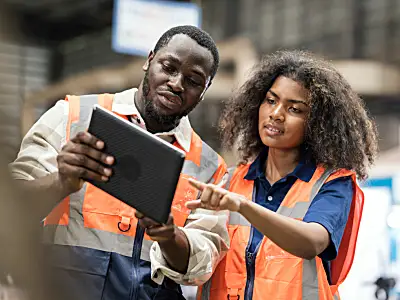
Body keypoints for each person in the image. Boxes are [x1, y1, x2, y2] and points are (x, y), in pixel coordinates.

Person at [9, 25, 229, 300]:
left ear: (205, 91)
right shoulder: (73, 117)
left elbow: (203, 263)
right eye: (169, 67)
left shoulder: (210, 167)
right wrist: (60, 181)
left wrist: (171, 237)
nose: (176, 83)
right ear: (149, 61)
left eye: (194, 80)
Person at [187, 50, 379, 299]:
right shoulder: (229, 180)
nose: (276, 113)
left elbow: (312, 243)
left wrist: (243, 206)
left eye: (295, 109)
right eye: (270, 100)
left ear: (317, 123)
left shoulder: (332, 184)